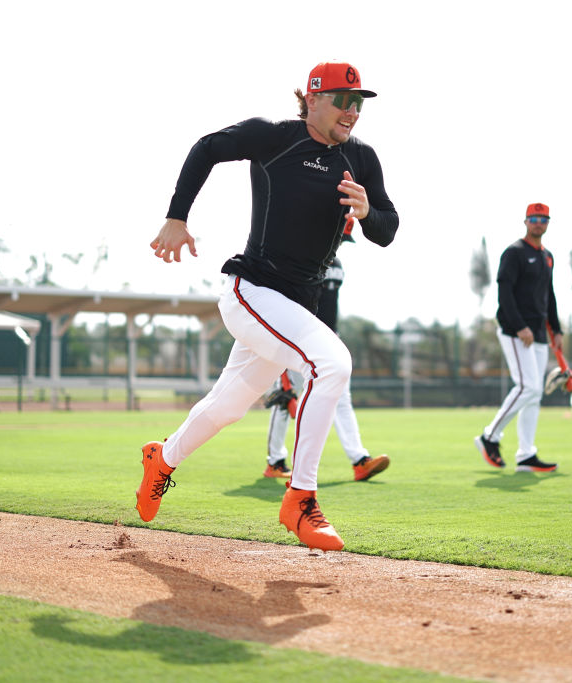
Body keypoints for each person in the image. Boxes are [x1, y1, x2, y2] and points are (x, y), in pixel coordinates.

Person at [136, 62, 398, 552]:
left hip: (296, 306)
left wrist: (368, 214)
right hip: (251, 291)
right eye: (343, 101)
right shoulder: (274, 137)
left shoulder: (361, 158)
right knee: (332, 363)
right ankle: (300, 499)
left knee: (227, 407)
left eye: (358, 103)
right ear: (313, 100)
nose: (352, 111)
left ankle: (161, 459)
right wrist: (176, 216)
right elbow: (207, 148)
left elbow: (388, 228)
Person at [263, 250, 390, 482]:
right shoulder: (299, 256)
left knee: (341, 399)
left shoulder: (336, 262)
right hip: (299, 336)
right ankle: (275, 461)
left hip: (330, 338)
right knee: (284, 398)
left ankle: (360, 461)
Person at [474, 202, 562, 473]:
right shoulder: (514, 253)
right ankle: (490, 436)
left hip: (539, 333)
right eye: (534, 219)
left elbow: (549, 295)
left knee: (534, 395)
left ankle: (526, 455)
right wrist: (520, 326)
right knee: (528, 387)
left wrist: (556, 329)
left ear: (548, 223)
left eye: (543, 219)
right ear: (525, 222)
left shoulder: (547, 256)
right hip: (515, 331)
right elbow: (504, 294)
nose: (539, 223)